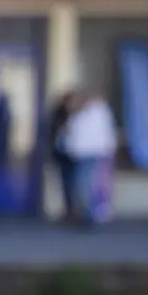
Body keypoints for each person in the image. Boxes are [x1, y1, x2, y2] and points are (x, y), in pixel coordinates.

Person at [63, 90, 118, 227]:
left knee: (85, 184)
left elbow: (96, 135)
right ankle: (87, 213)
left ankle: (90, 215)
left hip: (90, 154)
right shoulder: (81, 115)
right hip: (81, 154)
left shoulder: (95, 114)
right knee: (83, 185)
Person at [49, 92, 77, 222]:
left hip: (76, 153)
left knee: (75, 183)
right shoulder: (60, 114)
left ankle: (74, 210)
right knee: (67, 182)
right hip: (64, 153)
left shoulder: (78, 114)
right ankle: (69, 210)